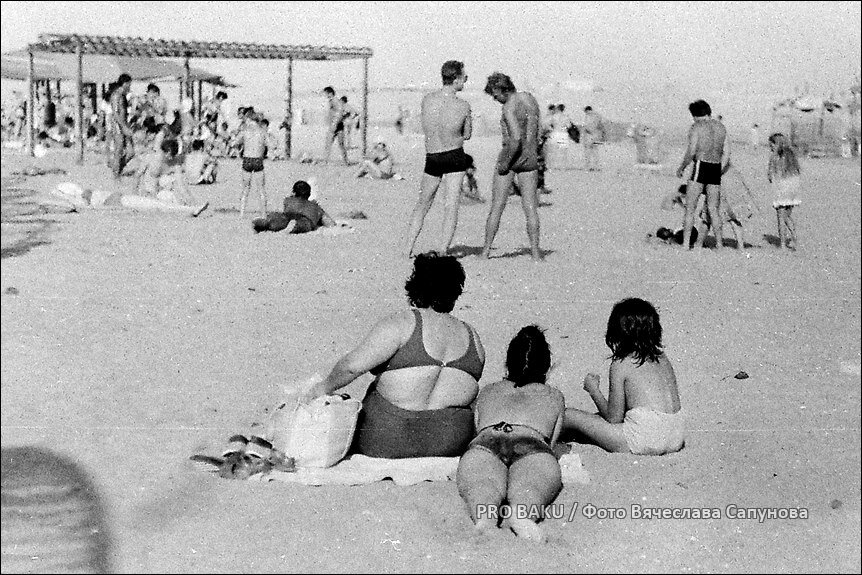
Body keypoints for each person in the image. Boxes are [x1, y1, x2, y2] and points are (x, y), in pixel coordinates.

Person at [301, 252, 486, 458]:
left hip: (388, 437)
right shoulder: (472, 336)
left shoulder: (403, 323)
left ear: (416, 285)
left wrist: (323, 387)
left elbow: (351, 367)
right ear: (455, 290)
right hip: (449, 442)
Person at [456, 325, 565, 542]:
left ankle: (485, 520)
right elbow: (551, 444)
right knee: (531, 487)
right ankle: (522, 516)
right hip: (531, 441)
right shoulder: (554, 395)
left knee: (482, 486)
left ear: (508, 362)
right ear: (546, 366)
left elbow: (477, 429)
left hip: (488, 440)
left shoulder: (488, 390)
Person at [564, 298, 685, 455]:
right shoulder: (662, 357)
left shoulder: (622, 363)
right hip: (675, 435)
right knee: (593, 420)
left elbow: (614, 418)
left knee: (570, 415)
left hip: (644, 440)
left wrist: (593, 390)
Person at [406, 60, 473, 257]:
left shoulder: (427, 100)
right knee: (451, 205)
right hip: (454, 154)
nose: (465, 82)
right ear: (456, 79)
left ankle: (407, 248)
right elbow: (467, 134)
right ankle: (443, 250)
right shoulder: (463, 105)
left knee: (423, 203)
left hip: (432, 155)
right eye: (464, 78)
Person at [480, 72, 543, 262]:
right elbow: (538, 130)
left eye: (495, 95)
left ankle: (485, 253)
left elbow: (515, 139)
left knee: (497, 206)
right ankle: (535, 254)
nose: (495, 99)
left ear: (501, 90)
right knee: (531, 207)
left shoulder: (509, 107)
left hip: (512, 155)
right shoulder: (530, 99)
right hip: (530, 156)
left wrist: (505, 163)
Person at [676, 99, 731, 250]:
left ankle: (686, 244)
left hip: (701, 165)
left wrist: (682, 167)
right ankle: (719, 244)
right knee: (713, 209)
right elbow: (727, 153)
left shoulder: (696, 127)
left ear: (694, 115)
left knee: (690, 208)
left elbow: (691, 151)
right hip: (715, 167)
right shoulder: (721, 127)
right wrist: (720, 169)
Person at [133, 139, 206, 214]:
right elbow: (137, 175)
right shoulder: (150, 158)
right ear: (166, 151)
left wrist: (192, 201)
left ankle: (192, 207)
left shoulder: (174, 163)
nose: (171, 158)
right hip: (148, 193)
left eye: (174, 155)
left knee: (170, 190)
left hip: (161, 193)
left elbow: (181, 184)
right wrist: (135, 194)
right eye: (171, 154)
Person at [252, 180, 342, 234]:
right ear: (309, 194)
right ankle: (294, 226)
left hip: (287, 216)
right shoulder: (315, 207)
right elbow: (330, 224)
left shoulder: (288, 200)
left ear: (294, 192)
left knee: (276, 220)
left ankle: (263, 223)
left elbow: (286, 208)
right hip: (305, 219)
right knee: (302, 224)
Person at [767, 132, 802, 250]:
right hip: (793, 188)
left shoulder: (774, 156)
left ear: (775, 144)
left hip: (781, 188)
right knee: (787, 216)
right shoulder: (791, 155)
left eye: (771, 145)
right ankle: (794, 237)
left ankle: (782, 244)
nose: (770, 147)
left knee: (781, 218)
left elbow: (770, 175)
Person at [237, 112, 268, 218]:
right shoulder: (262, 132)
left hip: (247, 159)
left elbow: (235, 142)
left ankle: (241, 213)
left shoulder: (245, 131)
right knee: (261, 189)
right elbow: (271, 144)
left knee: (245, 189)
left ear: (249, 119)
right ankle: (263, 214)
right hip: (258, 159)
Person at [108, 74, 135, 180]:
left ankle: (118, 168)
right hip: (118, 125)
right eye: (129, 84)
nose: (130, 86)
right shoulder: (116, 95)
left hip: (124, 124)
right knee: (119, 150)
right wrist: (123, 126)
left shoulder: (123, 95)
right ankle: (116, 173)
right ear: (124, 83)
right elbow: (115, 113)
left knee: (131, 151)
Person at [322, 86, 350, 164]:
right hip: (338, 125)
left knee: (329, 143)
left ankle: (325, 161)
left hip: (335, 125)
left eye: (326, 93)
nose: (325, 95)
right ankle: (345, 162)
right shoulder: (334, 101)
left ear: (330, 93)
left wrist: (334, 124)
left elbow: (339, 113)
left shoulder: (335, 101)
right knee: (340, 144)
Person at [582, 106, 605, 171]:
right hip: (596, 135)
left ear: (586, 110)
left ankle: (588, 166)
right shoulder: (598, 116)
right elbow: (601, 126)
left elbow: (586, 127)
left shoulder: (587, 116)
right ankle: (596, 166)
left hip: (589, 135)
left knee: (587, 151)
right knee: (595, 151)